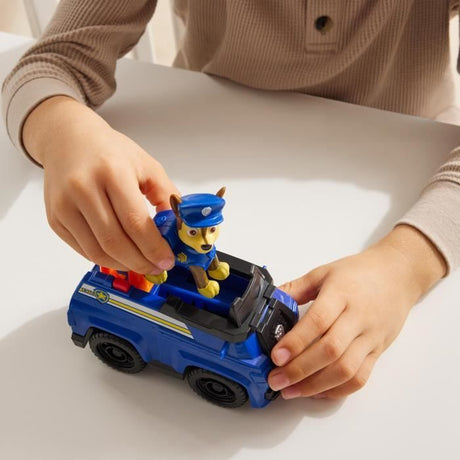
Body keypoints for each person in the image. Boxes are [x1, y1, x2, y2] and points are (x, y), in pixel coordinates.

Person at [2, 0, 459, 401]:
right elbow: (49, 65)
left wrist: (407, 262)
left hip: (413, 154)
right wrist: (62, 130)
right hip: (203, 128)